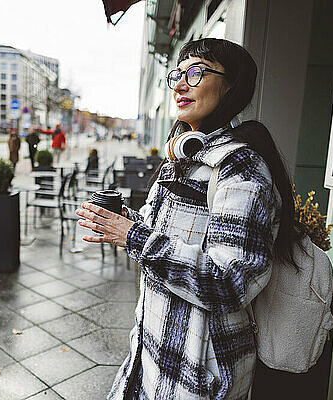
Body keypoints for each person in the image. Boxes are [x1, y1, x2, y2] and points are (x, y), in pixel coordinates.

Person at [75, 38, 301, 399]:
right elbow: (155, 233)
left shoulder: (238, 168)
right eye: (178, 73)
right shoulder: (183, 158)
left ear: (231, 87)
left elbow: (231, 282)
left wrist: (132, 237)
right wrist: (120, 221)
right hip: (153, 353)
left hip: (200, 372)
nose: (181, 84)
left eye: (196, 72)